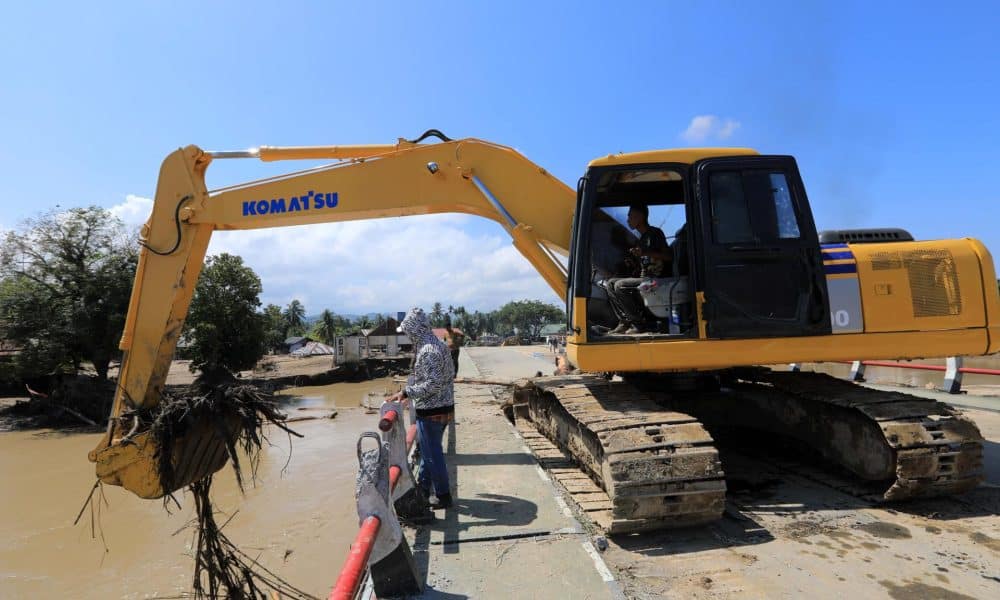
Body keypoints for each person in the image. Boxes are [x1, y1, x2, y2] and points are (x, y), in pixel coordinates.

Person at [388, 307, 455, 509]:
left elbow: (432, 384)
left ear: (414, 330)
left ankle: (443, 495)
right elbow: (449, 374)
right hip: (444, 408)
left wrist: (407, 393)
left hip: (432, 411)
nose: (407, 336)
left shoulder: (427, 351)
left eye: (408, 331)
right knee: (428, 452)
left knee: (433, 455)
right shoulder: (440, 345)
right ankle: (423, 490)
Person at [603, 203, 672, 334]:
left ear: (640, 217)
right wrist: (634, 262)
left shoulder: (655, 233)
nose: (628, 220)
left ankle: (639, 324)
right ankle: (625, 321)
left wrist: (645, 253)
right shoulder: (642, 239)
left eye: (630, 216)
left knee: (620, 285)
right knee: (610, 283)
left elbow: (668, 256)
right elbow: (645, 263)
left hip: (657, 279)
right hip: (645, 278)